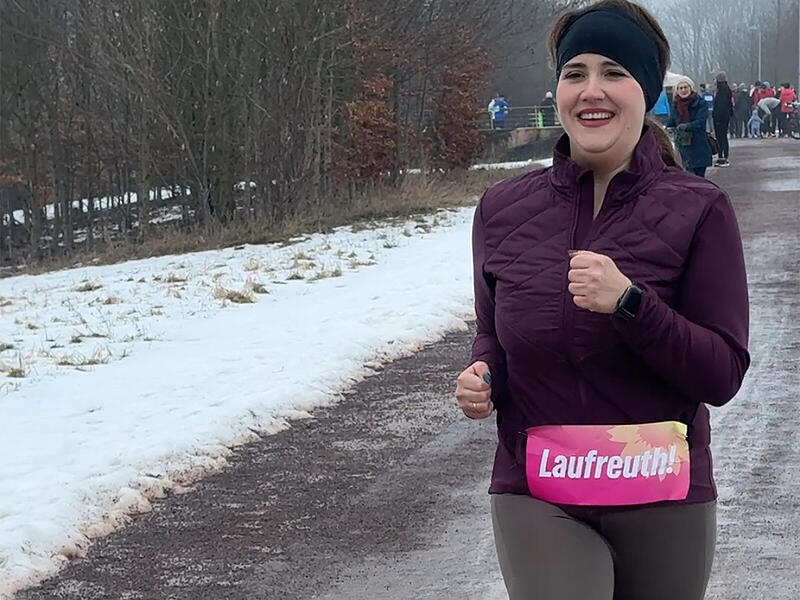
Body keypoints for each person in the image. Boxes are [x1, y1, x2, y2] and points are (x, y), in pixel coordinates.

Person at [456, 1, 750, 599]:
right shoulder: (502, 210)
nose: (593, 91)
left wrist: (631, 306)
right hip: (540, 488)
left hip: (660, 489)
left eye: (614, 72)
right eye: (575, 73)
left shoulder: (699, 209)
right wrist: (483, 371)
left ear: (646, 91)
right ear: (558, 90)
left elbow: (721, 373)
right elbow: (492, 332)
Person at [667, 77, 714, 176]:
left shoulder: (700, 103)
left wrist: (686, 126)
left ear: (691, 88)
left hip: (698, 145)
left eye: (685, 87)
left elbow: (701, 122)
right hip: (682, 146)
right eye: (680, 88)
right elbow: (672, 121)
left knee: (699, 178)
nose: (683, 90)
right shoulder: (675, 105)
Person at [711, 72, 733, 166]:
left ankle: (722, 157)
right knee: (722, 137)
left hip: (720, 117)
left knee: (721, 137)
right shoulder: (726, 89)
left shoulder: (722, 90)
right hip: (724, 116)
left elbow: (721, 105)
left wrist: (717, 116)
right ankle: (723, 156)